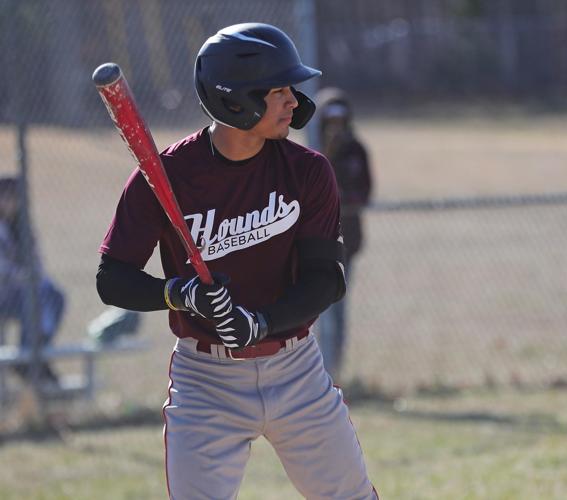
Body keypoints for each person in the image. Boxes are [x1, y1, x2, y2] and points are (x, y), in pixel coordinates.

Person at [96, 23, 377, 499]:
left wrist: (260, 323)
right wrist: (178, 294)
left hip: (296, 370)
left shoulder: (307, 172)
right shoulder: (166, 176)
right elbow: (112, 279)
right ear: (235, 101)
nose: (293, 100)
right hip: (206, 381)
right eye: (279, 90)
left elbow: (325, 279)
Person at [315, 87, 373, 382]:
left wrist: (345, 198)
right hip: (312, 243)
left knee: (337, 309)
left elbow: (365, 190)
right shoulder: (312, 151)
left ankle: (333, 370)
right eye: (330, 118)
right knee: (310, 308)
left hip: (345, 242)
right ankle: (310, 371)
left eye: (341, 117)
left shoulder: (356, 150)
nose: (336, 124)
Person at [0, 177, 65, 387]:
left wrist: (33, 277)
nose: (11, 202)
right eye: (6, 197)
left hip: (23, 289)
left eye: (15, 197)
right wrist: (24, 276)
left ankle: (33, 354)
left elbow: (37, 262)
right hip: (5, 293)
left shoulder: (22, 227)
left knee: (55, 295)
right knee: (36, 296)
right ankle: (30, 360)